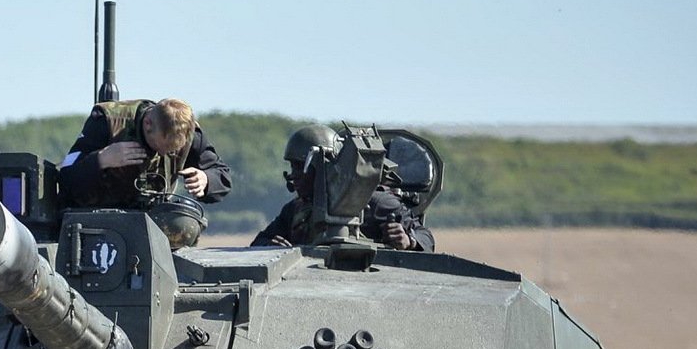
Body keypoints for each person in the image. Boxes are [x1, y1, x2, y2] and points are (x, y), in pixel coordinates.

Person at [251, 124, 434, 251]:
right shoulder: (296, 209)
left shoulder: (375, 203)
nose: (293, 175)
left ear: (323, 167)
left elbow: (426, 238)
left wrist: (409, 241)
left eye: (300, 167)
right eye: (292, 167)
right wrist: (272, 247)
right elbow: (258, 243)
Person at [56, 98, 233, 210]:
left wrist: (206, 179)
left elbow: (222, 176)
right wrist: (101, 160)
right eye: (164, 146)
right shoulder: (107, 122)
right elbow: (65, 179)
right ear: (148, 124)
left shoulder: (189, 134)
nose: (167, 153)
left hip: (154, 228)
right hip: (98, 223)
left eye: (174, 150)